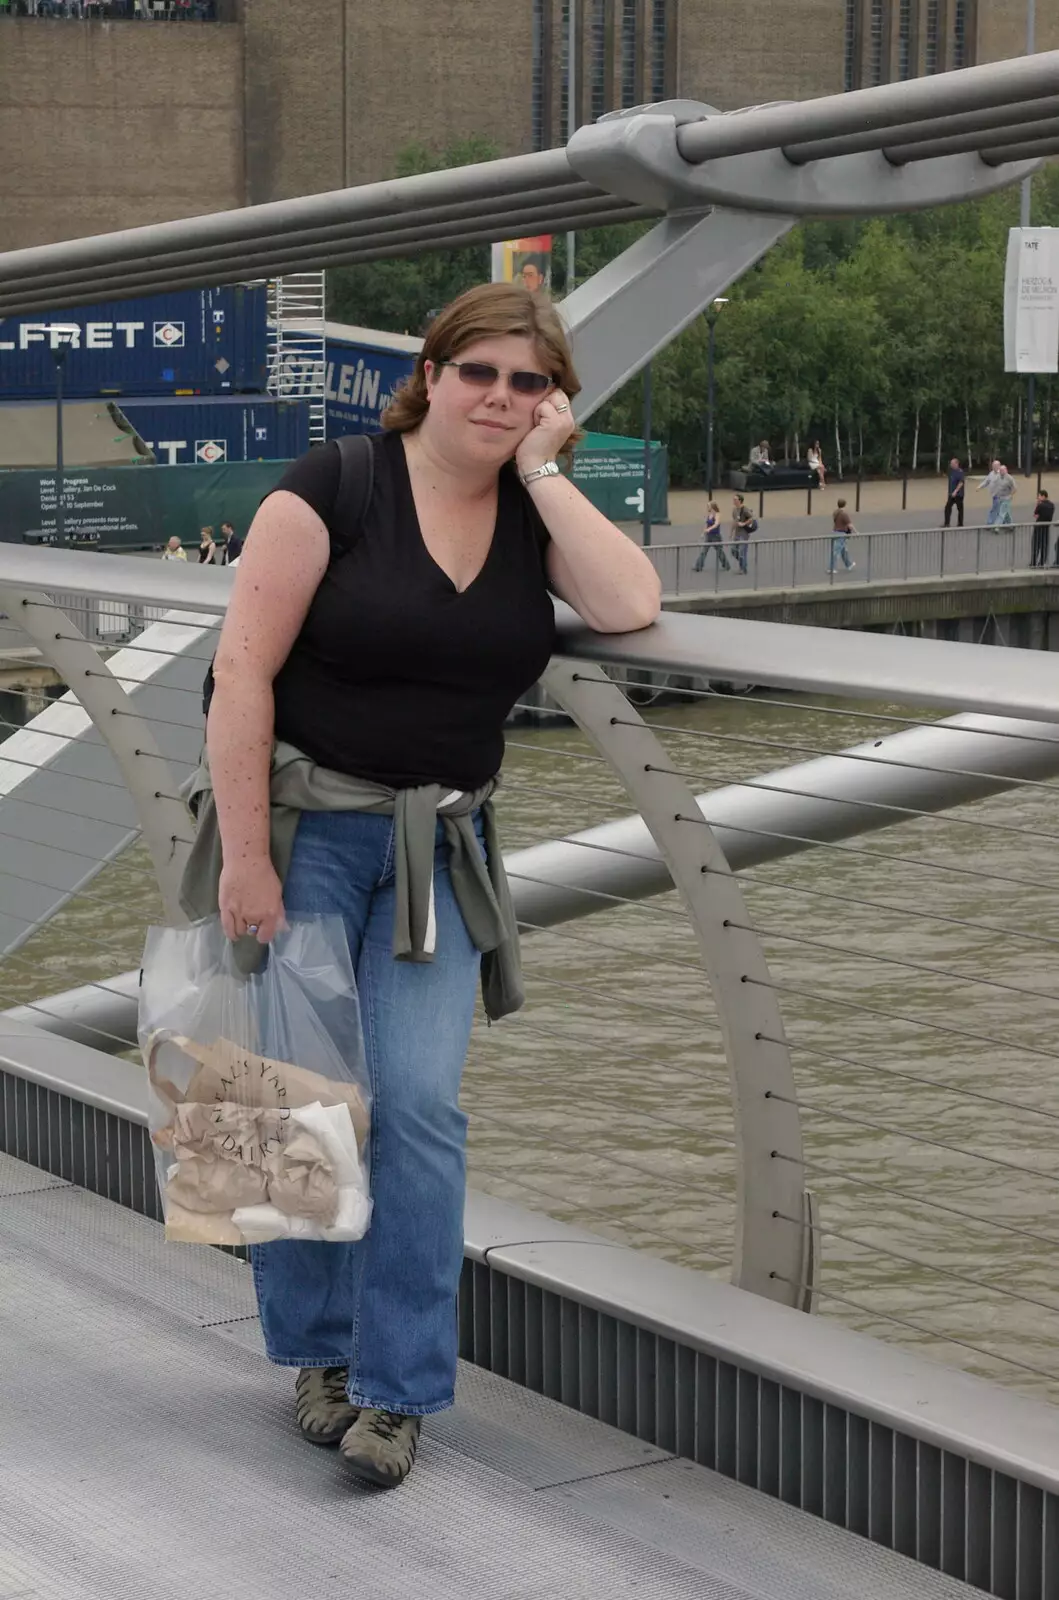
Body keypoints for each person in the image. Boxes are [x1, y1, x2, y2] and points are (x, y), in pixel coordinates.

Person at [196, 282, 660, 1489]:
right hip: (302, 834)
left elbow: (630, 603)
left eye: (531, 383)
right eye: (482, 375)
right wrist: (245, 855)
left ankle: (401, 1394)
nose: (502, 399)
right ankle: (319, 1358)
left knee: (414, 1108)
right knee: (281, 1098)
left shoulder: (527, 510)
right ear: (433, 373)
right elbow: (240, 675)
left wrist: (550, 472)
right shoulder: (331, 488)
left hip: (439, 853)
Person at [693, 500, 729, 572]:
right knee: (704, 551)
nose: (707, 508)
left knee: (719, 551)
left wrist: (709, 529)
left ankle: (726, 565)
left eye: (708, 506)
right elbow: (706, 524)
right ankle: (698, 566)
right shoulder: (709, 515)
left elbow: (716, 524)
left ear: (712, 507)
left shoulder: (717, 514)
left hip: (716, 536)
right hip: (709, 536)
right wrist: (703, 533)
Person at [828, 499, 857, 572]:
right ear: (845, 505)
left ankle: (849, 564)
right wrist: (856, 532)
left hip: (835, 532)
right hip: (841, 533)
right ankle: (832, 568)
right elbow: (849, 524)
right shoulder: (844, 514)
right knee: (836, 551)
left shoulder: (835, 512)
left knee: (844, 550)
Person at [730, 494, 756, 573]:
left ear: (740, 501)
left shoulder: (745, 509)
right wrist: (731, 532)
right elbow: (734, 521)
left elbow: (752, 518)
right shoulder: (734, 510)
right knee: (733, 550)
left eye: (735, 499)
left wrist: (744, 523)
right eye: (733, 499)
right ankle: (743, 563)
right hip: (737, 533)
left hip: (744, 533)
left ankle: (743, 568)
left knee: (742, 551)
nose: (734, 501)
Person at [1032, 487, 1055, 568]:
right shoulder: (1052, 505)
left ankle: (1033, 562)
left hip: (1038, 527)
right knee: (1044, 545)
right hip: (1046, 527)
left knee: (1036, 545)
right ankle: (1042, 562)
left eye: (1039, 496)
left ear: (1043, 496)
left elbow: (1035, 514)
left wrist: (1038, 504)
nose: (1038, 497)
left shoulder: (1041, 505)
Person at [978, 459, 1002, 525]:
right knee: (1000, 510)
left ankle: (990, 523)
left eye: (995, 466)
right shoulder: (991, 473)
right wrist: (979, 487)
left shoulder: (1002, 474)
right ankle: (1007, 523)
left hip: (1000, 496)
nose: (993, 467)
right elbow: (986, 482)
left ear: (999, 466)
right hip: (994, 495)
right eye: (993, 466)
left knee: (994, 509)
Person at [943, 457, 965, 528]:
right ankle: (946, 523)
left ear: (957, 464)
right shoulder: (951, 471)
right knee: (947, 508)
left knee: (960, 509)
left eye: (952, 463)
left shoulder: (960, 472)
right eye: (950, 463)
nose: (951, 465)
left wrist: (955, 491)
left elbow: (961, 483)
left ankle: (960, 523)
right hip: (951, 494)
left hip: (958, 494)